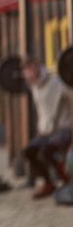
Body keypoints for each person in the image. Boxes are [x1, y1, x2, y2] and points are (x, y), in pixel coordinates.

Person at [21, 56, 72, 199]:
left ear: (38, 66)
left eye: (31, 68)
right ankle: (49, 183)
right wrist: (41, 127)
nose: (29, 73)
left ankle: (67, 181)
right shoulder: (34, 86)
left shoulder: (57, 82)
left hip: (64, 128)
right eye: (26, 70)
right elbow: (42, 110)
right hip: (47, 131)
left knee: (46, 151)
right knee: (28, 151)